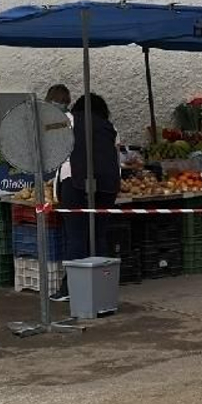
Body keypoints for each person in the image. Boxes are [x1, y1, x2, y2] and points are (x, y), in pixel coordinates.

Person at [57, 93, 120, 289]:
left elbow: (53, 145)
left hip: (74, 182)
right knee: (99, 235)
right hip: (108, 186)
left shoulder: (68, 119)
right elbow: (116, 154)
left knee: (76, 236)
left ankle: (72, 288)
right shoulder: (110, 128)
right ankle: (100, 286)